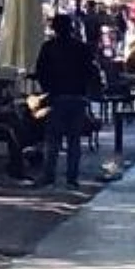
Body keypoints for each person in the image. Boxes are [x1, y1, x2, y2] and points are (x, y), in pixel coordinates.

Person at [31, 15, 95, 189]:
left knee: (53, 139)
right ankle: (72, 177)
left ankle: (49, 174)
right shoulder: (81, 48)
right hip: (77, 97)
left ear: (54, 29)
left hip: (57, 97)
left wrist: (48, 89)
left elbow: (40, 71)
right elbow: (90, 71)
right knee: (74, 140)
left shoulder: (49, 48)